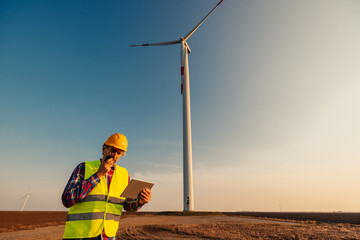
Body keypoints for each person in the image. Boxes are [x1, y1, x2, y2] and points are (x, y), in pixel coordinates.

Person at [62, 133, 152, 240]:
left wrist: (140, 201)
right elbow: (67, 199)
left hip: (107, 236)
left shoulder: (123, 174)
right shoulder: (84, 167)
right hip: (79, 236)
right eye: (113, 150)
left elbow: (127, 206)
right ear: (103, 149)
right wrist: (98, 175)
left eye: (119, 153)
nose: (115, 155)